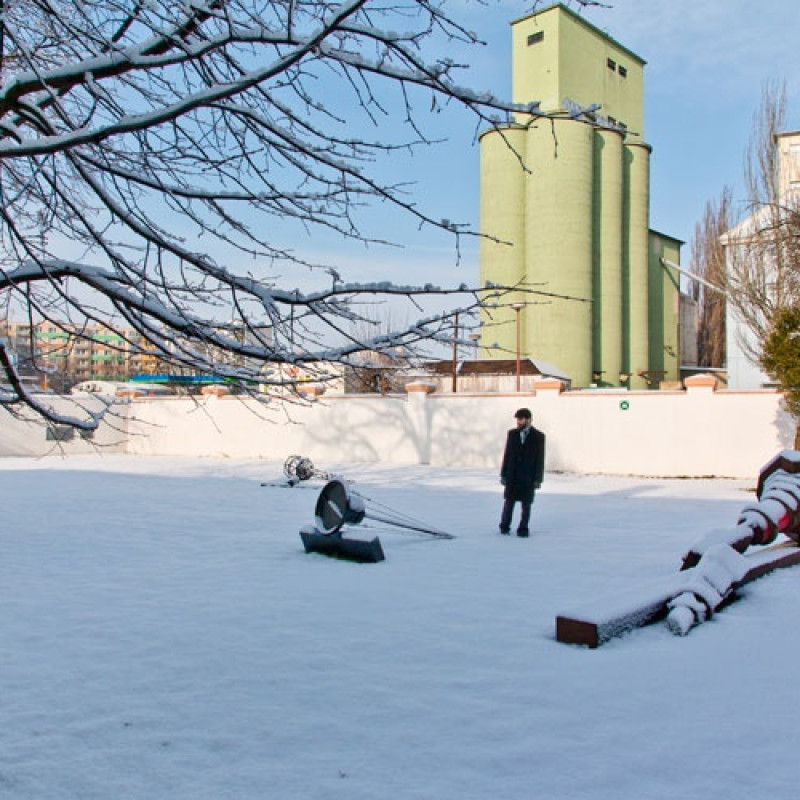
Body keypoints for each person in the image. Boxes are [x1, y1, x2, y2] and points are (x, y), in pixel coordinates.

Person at [499, 408, 545, 537]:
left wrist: (538, 479)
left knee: (526, 505)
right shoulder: (512, 434)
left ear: (529, 420)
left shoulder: (538, 437)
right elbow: (507, 455)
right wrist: (503, 474)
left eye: (521, 419)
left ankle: (523, 528)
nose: (518, 422)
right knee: (508, 503)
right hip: (512, 475)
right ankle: (504, 526)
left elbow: (540, 459)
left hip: (528, 477)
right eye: (517, 419)